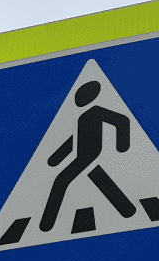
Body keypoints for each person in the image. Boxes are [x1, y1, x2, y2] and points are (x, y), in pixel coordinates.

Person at [39, 80, 136, 232]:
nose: (78, 100)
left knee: (61, 181)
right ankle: (128, 210)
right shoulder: (83, 117)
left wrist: (122, 146)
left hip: (90, 154)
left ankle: (46, 225)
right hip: (84, 155)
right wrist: (56, 158)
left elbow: (121, 121)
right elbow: (75, 140)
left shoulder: (96, 111)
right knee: (99, 179)